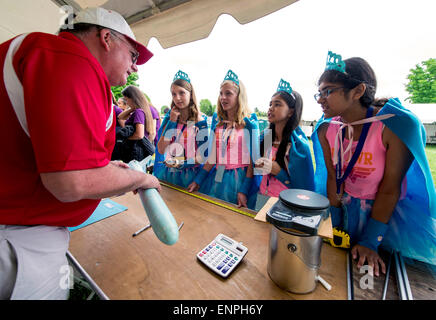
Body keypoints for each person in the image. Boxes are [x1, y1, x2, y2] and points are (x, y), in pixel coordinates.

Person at [0, 7, 161, 300]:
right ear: (106, 38)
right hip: (16, 238)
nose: (135, 67)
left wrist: (104, 169)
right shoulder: (70, 58)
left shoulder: (63, 60)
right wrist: (139, 179)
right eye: (133, 55)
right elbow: (69, 181)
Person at [312, 51, 436, 275]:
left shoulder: (392, 127)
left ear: (358, 91)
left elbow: (390, 189)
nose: (321, 99)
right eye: (319, 93)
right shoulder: (325, 129)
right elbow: (333, 178)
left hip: (383, 218)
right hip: (343, 211)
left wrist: (371, 241)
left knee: (369, 275)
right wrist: (335, 223)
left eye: (328, 91)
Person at [187, 70, 259, 209]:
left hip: (238, 180)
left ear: (239, 96)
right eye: (221, 93)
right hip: (217, 176)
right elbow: (212, 158)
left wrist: (243, 189)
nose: (223, 98)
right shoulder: (219, 124)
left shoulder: (249, 124)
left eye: (228, 93)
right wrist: (198, 180)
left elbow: (252, 163)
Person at [252, 79, 315, 210]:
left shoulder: (298, 147)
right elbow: (259, 170)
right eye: (270, 104)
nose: (271, 108)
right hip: (262, 197)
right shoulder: (266, 137)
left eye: (277, 104)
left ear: (291, 112)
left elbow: (304, 191)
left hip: (283, 205)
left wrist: (279, 172)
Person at [154, 70, 209, 188]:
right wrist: (172, 122)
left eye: (181, 93)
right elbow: (161, 149)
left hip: (190, 175)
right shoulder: (170, 118)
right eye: (174, 94)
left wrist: (181, 164)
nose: (177, 98)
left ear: (190, 94)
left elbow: (202, 156)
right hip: (169, 173)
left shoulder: (200, 122)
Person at [117, 85, 156, 162]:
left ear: (133, 98)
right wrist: (132, 108)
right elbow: (120, 117)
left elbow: (139, 135)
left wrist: (125, 140)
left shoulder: (138, 112)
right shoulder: (139, 110)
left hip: (135, 151)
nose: (127, 102)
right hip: (138, 150)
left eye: (126, 99)